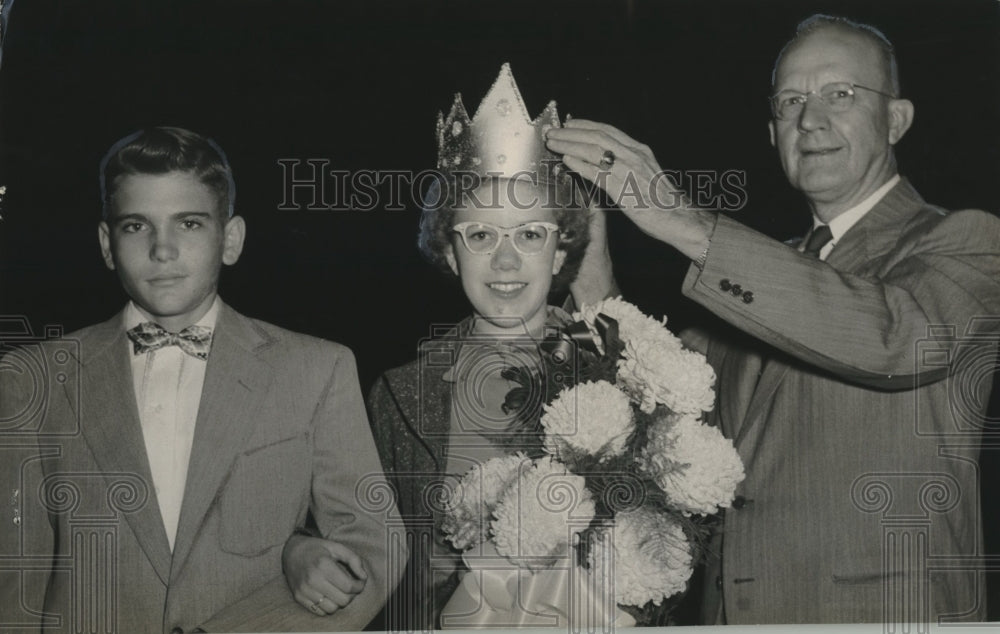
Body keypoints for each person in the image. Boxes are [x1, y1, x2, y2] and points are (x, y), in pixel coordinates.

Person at [546, 14, 1000, 625]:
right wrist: (590, 272)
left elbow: (898, 338)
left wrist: (681, 219)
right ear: (771, 131)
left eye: (840, 94)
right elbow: (669, 412)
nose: (810, 119)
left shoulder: (964, 240)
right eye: (791, 101)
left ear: (896, 119)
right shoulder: (758, 276)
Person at [0, 127, 402, 633]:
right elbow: (15, 580)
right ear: (106, 245)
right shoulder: (29, 380)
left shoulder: (317, 369)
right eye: (135, 227)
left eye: (188, 223)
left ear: (230, 239)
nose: (162, 250)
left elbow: (374, 541)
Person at [282, 64, 606, 630]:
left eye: (530, 234)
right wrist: (298, 552)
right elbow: (349, 531)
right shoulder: (401, 394)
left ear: (561, 251)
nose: (505, 262)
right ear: (450, 253)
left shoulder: (614, 372)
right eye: (480, 235)